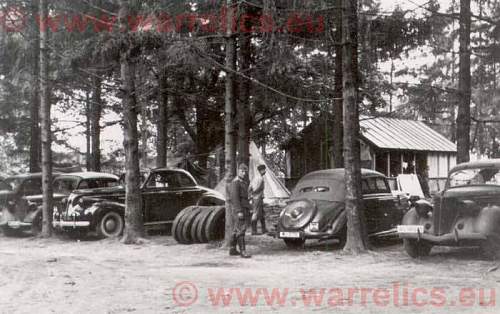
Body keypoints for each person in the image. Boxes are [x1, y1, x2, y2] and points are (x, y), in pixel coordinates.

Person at [228, 163, 252, 258]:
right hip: (239, 209)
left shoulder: (244, 182)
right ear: (238, 171)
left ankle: (232, 249)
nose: (244, 173)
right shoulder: (235, 182)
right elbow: (235, 198)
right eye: (242, 171)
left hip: (244, 208)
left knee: (236, 229)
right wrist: (239, 211)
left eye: (245, 171)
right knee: (241, 229)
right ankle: (243, 251)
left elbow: (245, 197)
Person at [249, 164, 267, 235]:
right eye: (264, 170)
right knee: (255, 213)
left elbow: (250, 187)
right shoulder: (259, 178)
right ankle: (254, 231)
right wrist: (254, 193)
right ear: (261, 170)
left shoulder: (256, 177)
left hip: (257, 198)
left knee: (261, 213)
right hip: (257, 198)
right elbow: (255, 189)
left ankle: (264, 229)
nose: (265, 171)